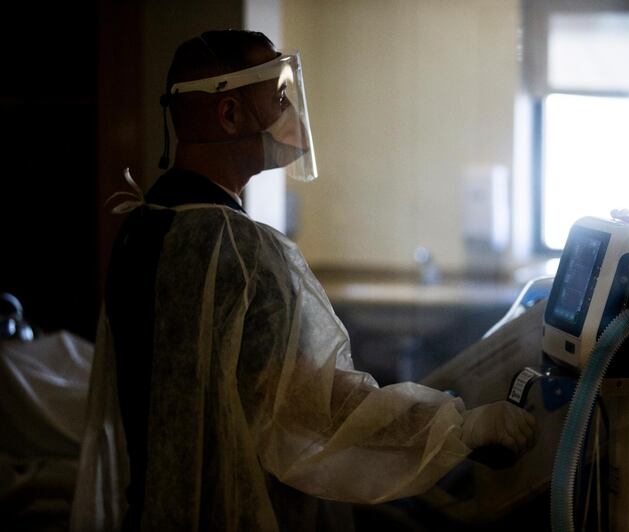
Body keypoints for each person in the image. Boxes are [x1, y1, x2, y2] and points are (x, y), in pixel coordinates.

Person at [72, 29, 537, 532]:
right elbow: (322, 409)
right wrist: (460, 427)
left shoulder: (141, 225)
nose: (290, 112)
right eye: (276, 97)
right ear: (228, 116)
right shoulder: (240, 250)